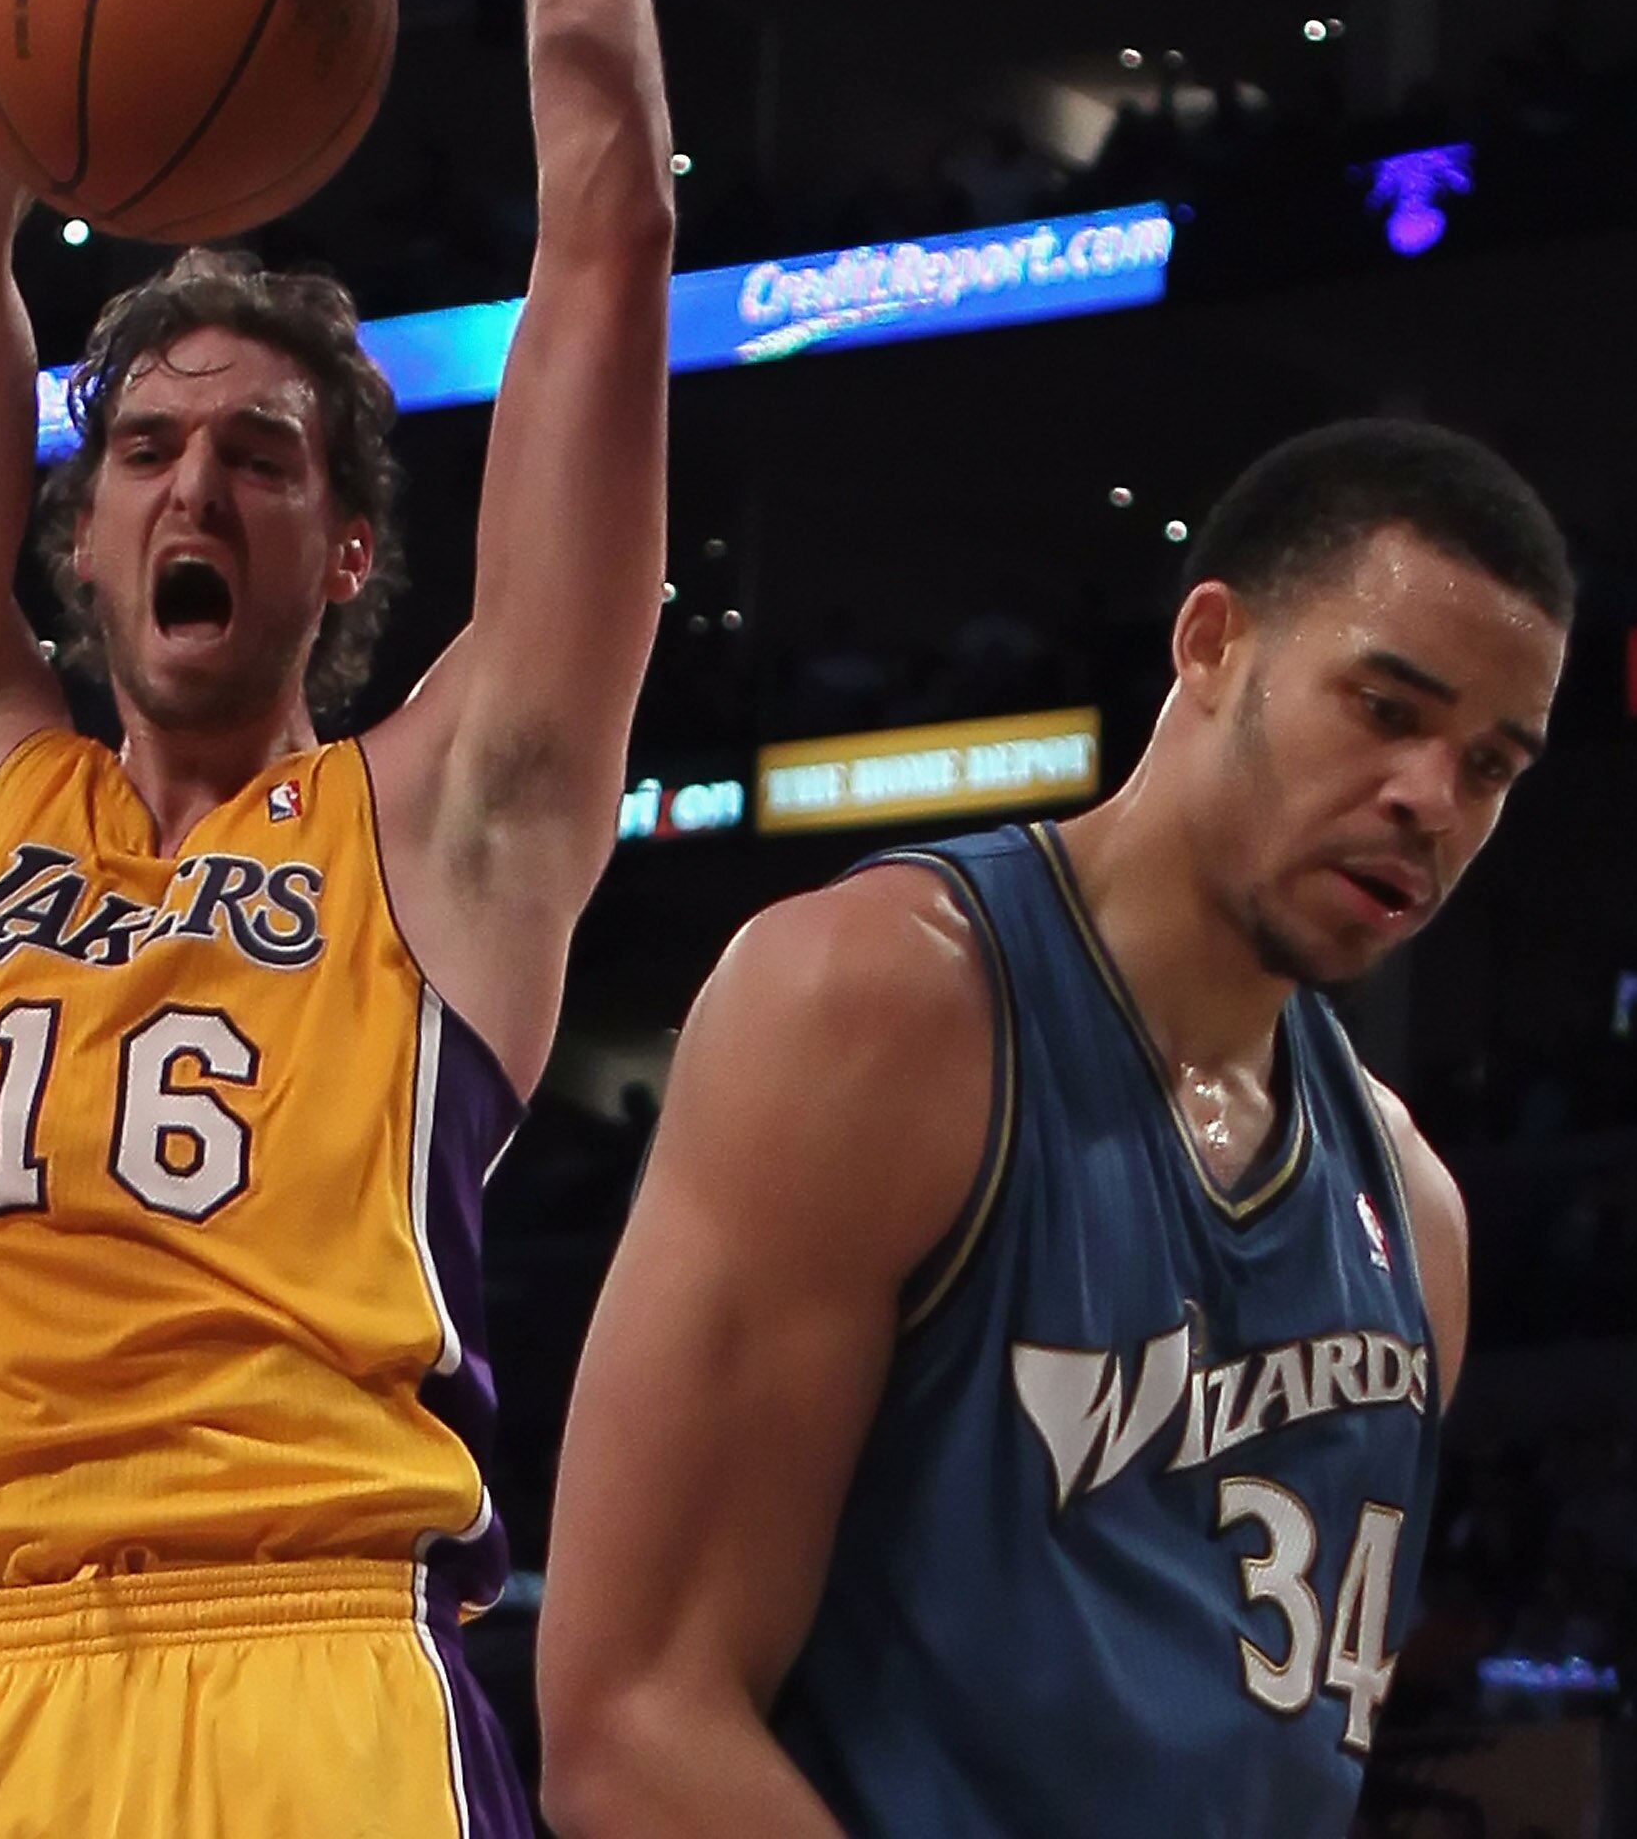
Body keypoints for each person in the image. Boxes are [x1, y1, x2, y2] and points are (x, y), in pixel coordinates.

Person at [0, 0, 675, 1839]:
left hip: (320, 1663)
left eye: (263, 458)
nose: (196, 482)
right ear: (75, 536)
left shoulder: (451, 818)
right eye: (148, 448)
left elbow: (606, 250)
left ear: (347, 547)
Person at [538, 419, 1572, 1839]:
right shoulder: (880, 1007)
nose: (1430, 801)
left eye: (1491, 766)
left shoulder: (1414, 1216)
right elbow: (631, 1727)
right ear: (1211, 645)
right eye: (1386, 710)